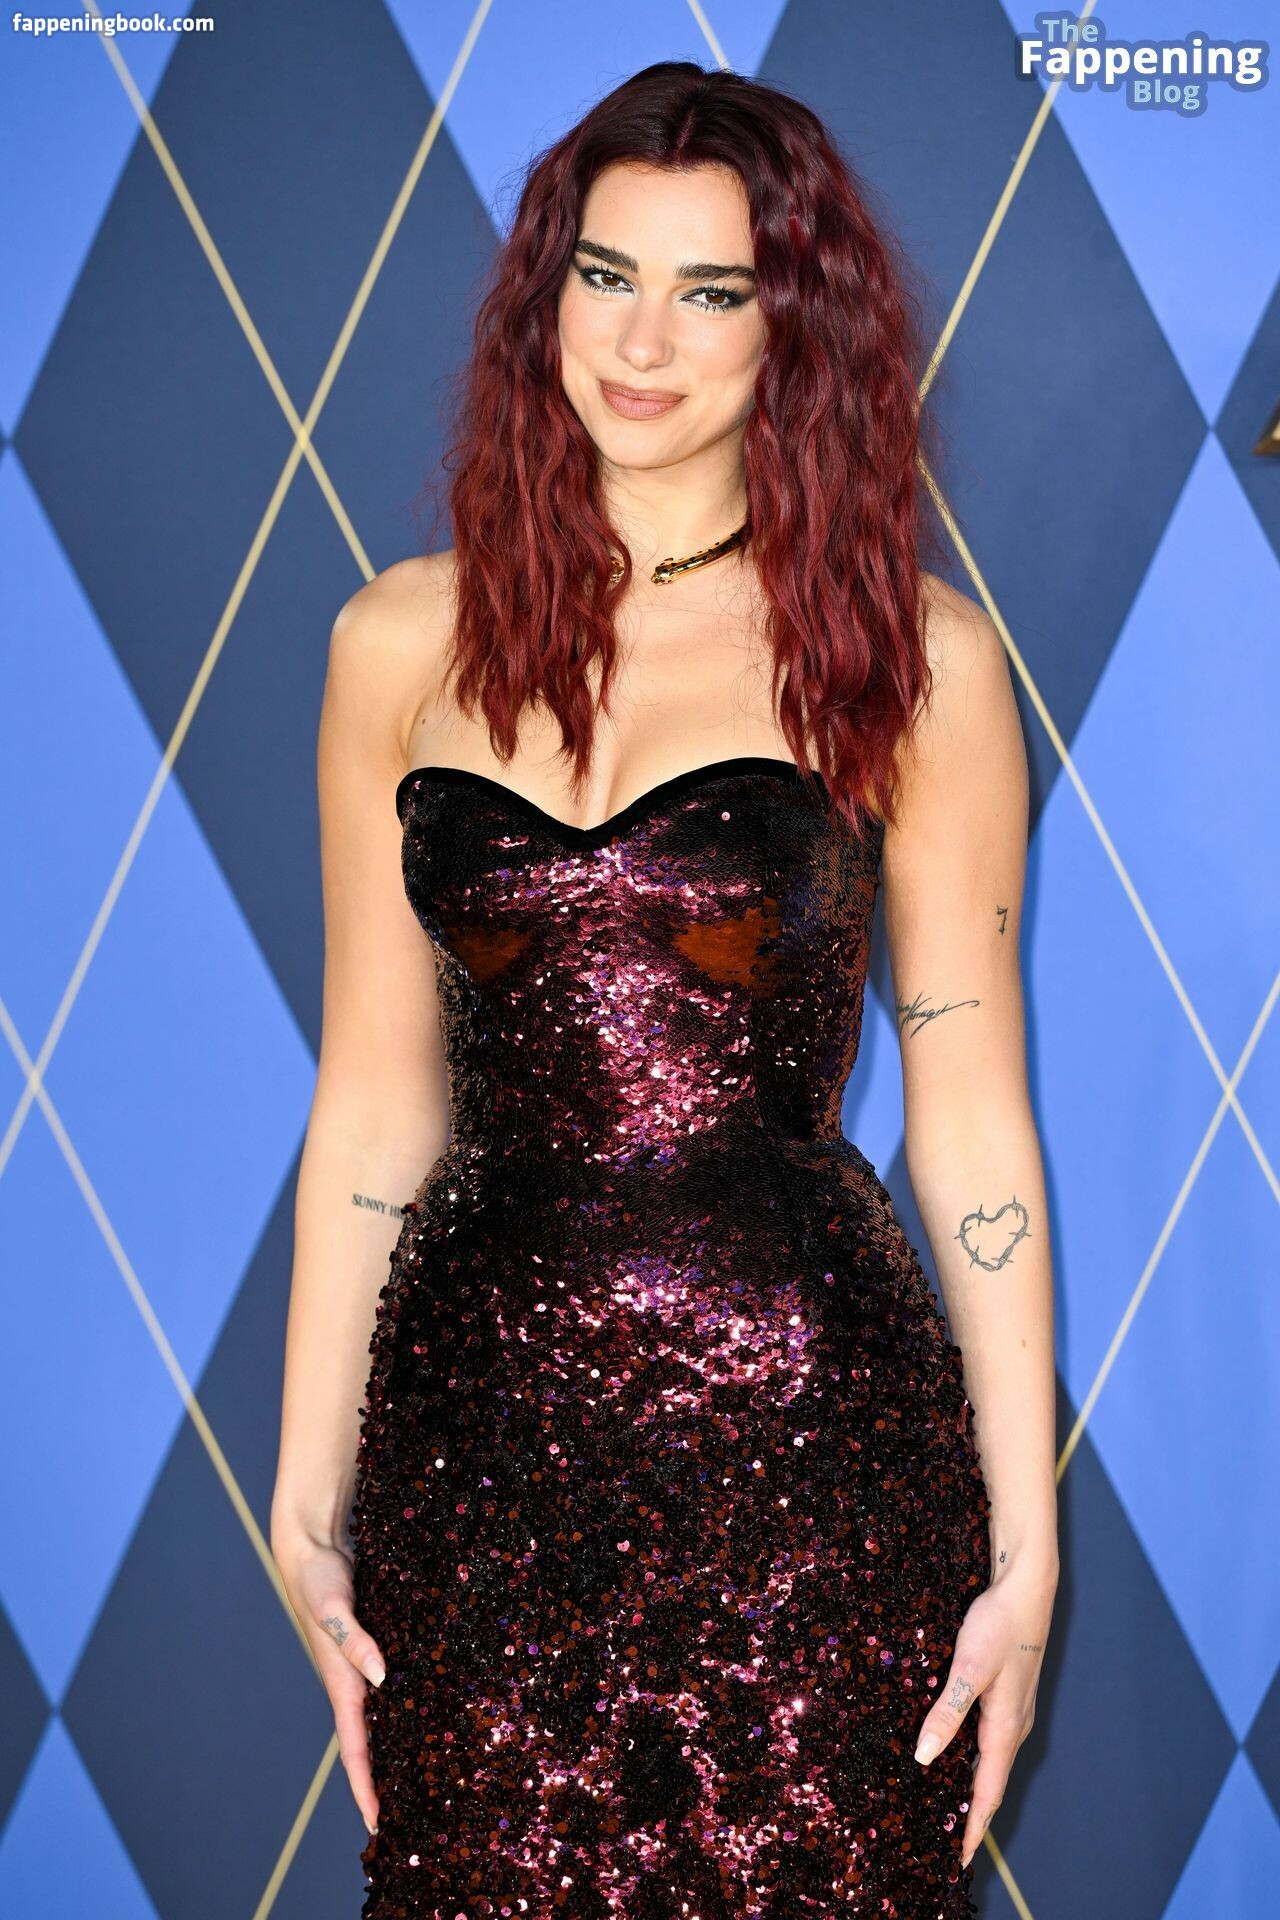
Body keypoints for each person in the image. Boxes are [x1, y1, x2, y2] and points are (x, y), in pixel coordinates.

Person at [271, 60, 1058, 1919]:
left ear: (795, 333)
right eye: (605, 275)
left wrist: (1026, 1548)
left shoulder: (913, 661)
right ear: (545, 290)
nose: (642, 344)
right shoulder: (395, 642)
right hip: (479, 1437)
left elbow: (970, 1116)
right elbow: (374, 1101)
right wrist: (302, 1499)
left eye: (712, 294)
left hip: (811, 1431)